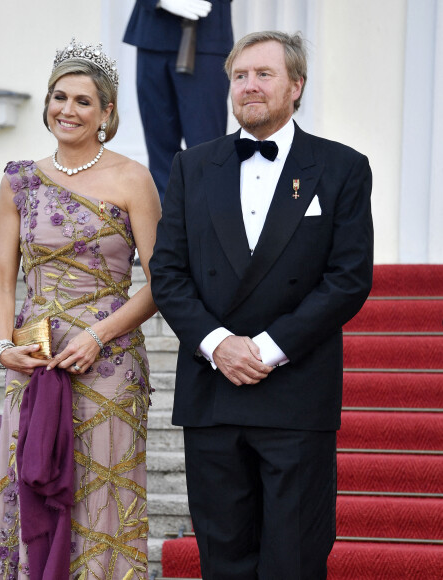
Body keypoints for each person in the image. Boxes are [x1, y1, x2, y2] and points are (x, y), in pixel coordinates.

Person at [149, 31, 373, 579]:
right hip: (213, 392)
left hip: (297, 394)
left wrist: (267, 350)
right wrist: (219, 344)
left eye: (264, 74)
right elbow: (167, 273)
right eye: (240, 75)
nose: (249, 86)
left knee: (294, 561)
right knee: (223, 559)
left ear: (296, 86)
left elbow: (347, 280)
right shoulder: (192, 168)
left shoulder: (342, 167)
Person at [0, 39, 161, 580]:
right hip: (33, 361)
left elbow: (161, 283)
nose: (68, 110)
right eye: (60, 97)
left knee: (101, 500)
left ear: (106, 113)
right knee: (27, 489)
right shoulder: (19, 180)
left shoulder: (133, 178)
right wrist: (2, 347)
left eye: (83, 101)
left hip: (107, 366)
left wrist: (99, 336)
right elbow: (2, 278)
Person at [123, 0, 233, 202]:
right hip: (152, 34)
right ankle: (168, 223)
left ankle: (205, 223)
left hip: (205, 33)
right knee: (159, 147)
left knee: (206, 148)